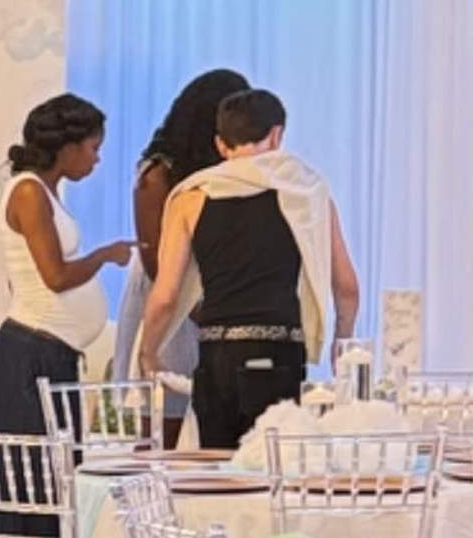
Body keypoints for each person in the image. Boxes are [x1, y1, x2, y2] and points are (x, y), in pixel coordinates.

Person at [133, 85, 359, 455]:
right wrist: (342, 340)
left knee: (219, 478)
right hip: (282, 350)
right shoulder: (307, 194)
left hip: (219, 353)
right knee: (273, 473)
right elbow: (346, 285)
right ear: (276, 135)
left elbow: (166, 294)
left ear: (221, 144)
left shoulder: (192, 197)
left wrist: (149, 352)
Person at [0, 91, 116, 538]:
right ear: (66, 146)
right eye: (91, 147)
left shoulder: (44, 189)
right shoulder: (27, 192)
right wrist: (105, 255)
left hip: (49, 349)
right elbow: (56, 275)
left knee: (56, 469)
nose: (96, 158)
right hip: (29, 352)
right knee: (30, 474)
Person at [119, 66, 246, 375]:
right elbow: (155, 262)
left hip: (209, 295)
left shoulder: (228, 171)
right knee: (165, 403)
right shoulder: (158, 175)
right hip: (168, 295)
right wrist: (209, 316)